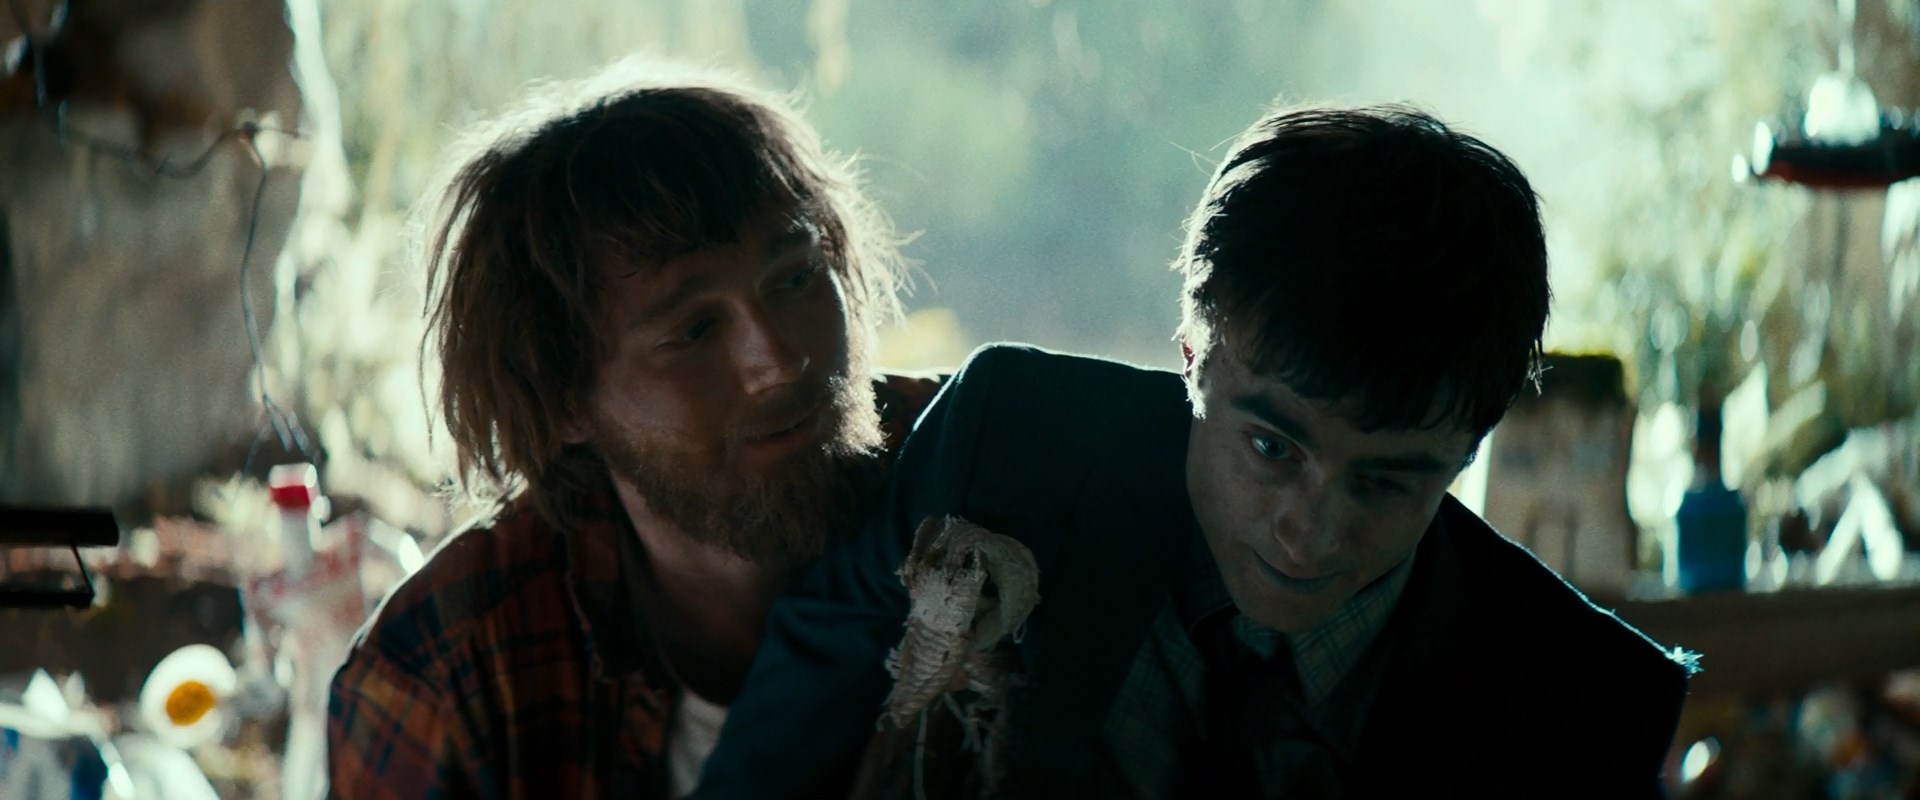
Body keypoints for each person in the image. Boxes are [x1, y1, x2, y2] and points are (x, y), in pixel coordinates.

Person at [694, 104, 1694, 799]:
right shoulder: (1008, 443)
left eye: (1387, 479)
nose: (1310, 528)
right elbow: (779, 749)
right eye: (1271, 445)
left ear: (1468, 449)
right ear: (1190, 356)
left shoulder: (1584, 704)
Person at [325, 57, 942, 799]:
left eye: (795, 278)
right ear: (563, 399)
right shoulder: (450, 669)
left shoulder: (982, 477)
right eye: (696, 330)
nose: (779, 361)